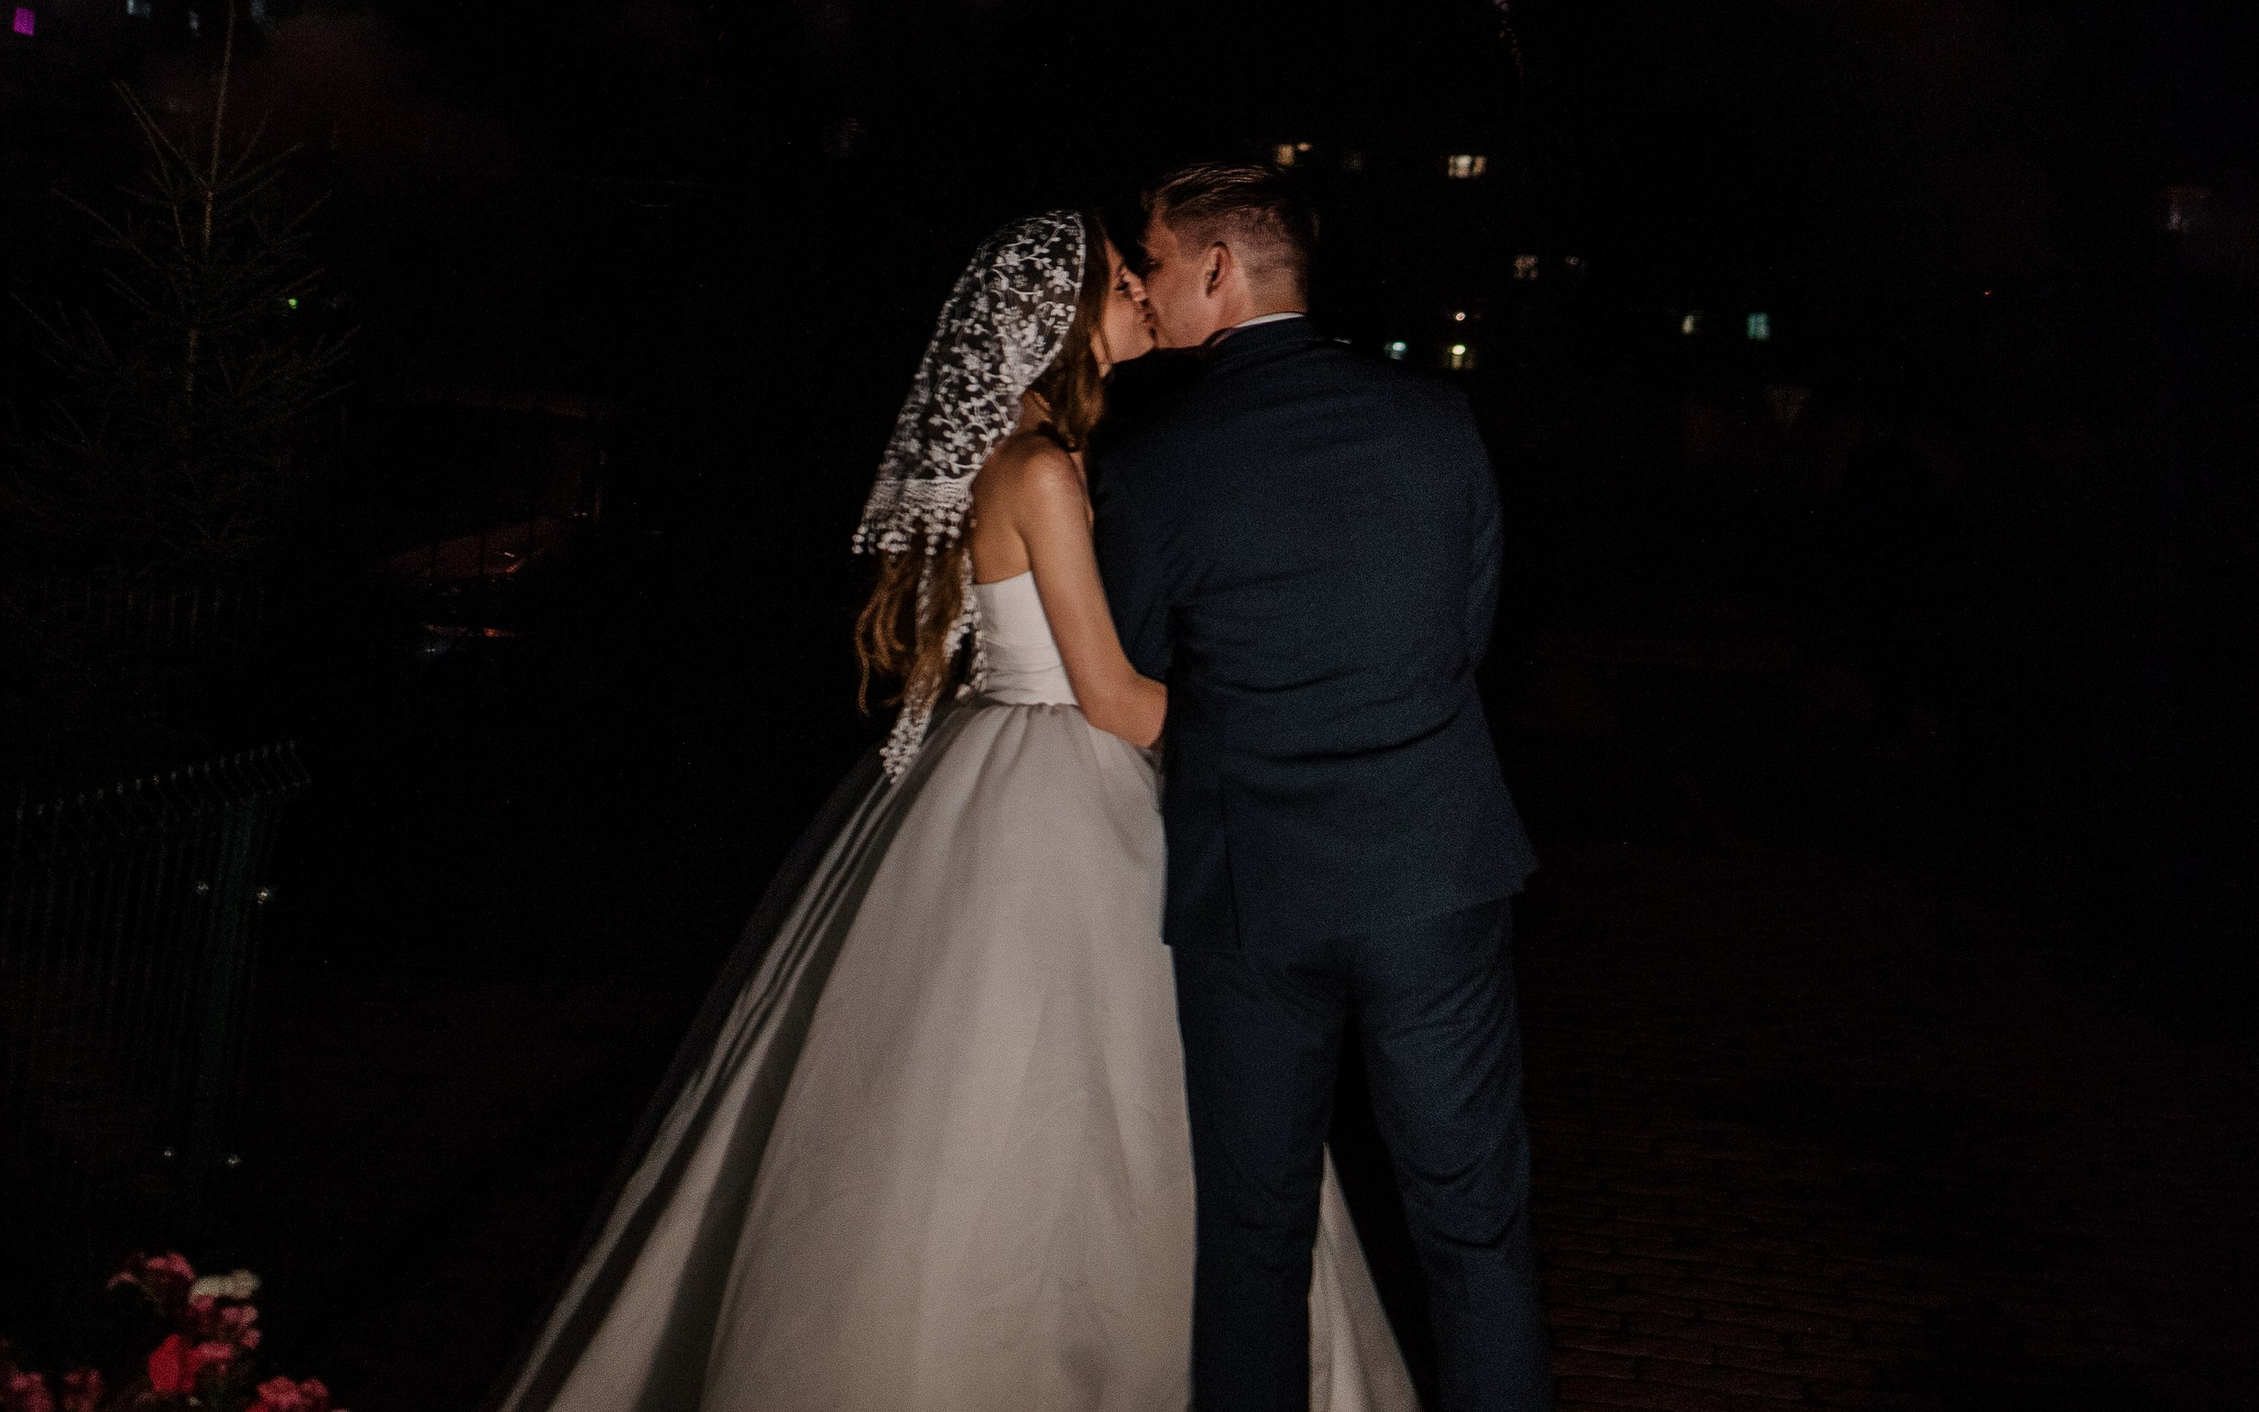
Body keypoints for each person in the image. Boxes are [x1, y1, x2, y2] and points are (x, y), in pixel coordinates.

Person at [496, 207, 1418, 1412]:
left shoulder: (1023, 450)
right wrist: (1289, 721)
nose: (1142, 295)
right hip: (1058, 784)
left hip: (997, 768)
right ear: (1057, 319)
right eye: (1119, 284)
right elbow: (1108, 694)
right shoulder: (1037, 468)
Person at [1095, 161, 1552, 1412]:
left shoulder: (1154, 462)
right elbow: (1464, 632)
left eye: (1148, 257)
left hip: (1257, 890)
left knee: (1254, 1236)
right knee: (1473, 1231)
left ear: (1216, 271)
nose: (1138, 282)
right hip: (1433, 872)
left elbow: (1131, 680)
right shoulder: (1435, 420)